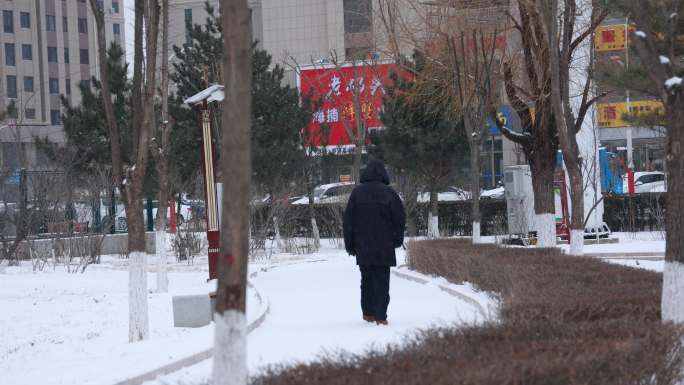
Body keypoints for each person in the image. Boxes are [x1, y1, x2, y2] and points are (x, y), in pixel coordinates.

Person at [343, 160, 406, 326]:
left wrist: (350, 245)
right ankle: (381, 316)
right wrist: (397, 240)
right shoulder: (390, 193)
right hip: (384, 245)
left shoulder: (357, 193)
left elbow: (348, 221)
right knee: (382, 280)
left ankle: (368, 312)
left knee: (366, 279)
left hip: (363, 245)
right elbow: (399, 219)